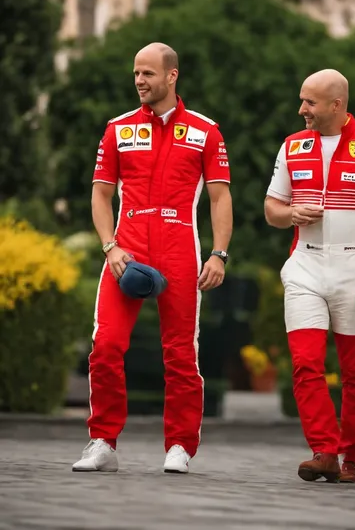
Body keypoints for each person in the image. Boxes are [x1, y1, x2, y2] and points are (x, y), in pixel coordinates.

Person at [72, 42, 233, 474]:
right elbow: (100, 194)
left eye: (147, 73)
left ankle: (180, 445)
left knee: (180, 353)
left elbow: (220, 197)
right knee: (105, 345)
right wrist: (110, 245)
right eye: (135, 74)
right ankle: (103, 441)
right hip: (126, 251)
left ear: (171, 76)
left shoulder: (205, 131)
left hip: (180, 246)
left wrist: (218, 254)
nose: (139, 81)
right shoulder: (118, 129)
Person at [264, 69, 355, 484]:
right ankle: (324, 450)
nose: (301, 109)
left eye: (310, 102)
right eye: (302, 100)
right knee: (306, 363)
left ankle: (351, 459)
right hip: (304, 265)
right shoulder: (292, 146)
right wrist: (291, 214)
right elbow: (272, 209)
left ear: (336, 105)